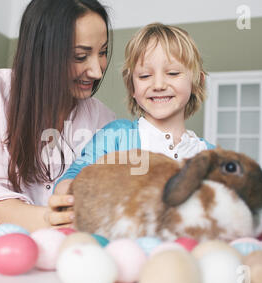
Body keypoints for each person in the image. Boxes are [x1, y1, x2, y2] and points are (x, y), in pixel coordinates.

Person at [0, 0, 116, 231]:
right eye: (80, 56)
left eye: (102, 52)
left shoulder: (105, 121)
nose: (97, 71)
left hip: (51, 243)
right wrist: (53, 221)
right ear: (42, 52)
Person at [54, 23, 215, 194]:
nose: (158, 85)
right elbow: (74, 176)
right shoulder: (117, 136)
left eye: (173, 73)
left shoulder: (210, 156)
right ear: (132, 87)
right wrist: (67, 191)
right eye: (145, 76)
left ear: (197, 81)